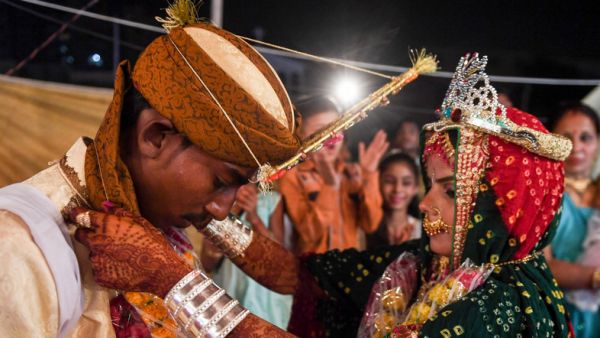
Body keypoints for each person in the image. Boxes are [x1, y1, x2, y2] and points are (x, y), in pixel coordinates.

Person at [72, 53, 574, 338]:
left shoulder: (504, 308)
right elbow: (300, 276)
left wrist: (176, 282)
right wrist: (210, 214)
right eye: (430, 186)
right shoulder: (424, 264)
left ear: (504, 207)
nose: (424, 204)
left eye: (449, 190)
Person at [0, 0, 302, 336]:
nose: (221, 211)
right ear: (155, 137)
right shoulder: (17, 248)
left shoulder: (161, 235)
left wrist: (172, 278)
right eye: (221, 181)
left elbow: (296, 279)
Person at [279, 95, 388, 254]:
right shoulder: (293, 177)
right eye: (321, 131)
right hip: (312, 272)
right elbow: (309, 233)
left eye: (336, 128)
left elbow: (370, 224)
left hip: (350, 272)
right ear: (299, 136)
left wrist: (369, 175)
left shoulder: (351, 173)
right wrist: (330, 187)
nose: (332, 138)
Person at [201, 183, 293, 330]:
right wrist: (231, 213)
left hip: (264, 294)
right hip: (231, 282)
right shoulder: (221, 199)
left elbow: (279, 255)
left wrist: (254, 216)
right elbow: (207, 262)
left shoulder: (272, 199)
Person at [544, 102, 600, 338]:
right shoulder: (543, 194)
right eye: (566, 137)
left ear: (597, 143)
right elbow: (541, 267)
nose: (576, 146)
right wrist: (595, 277)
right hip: (556, 314)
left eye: (585, 137)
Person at [366, 151, 421, 250]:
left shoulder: (422, 232)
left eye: (406, 183)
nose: (397, 189)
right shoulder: (365, 228)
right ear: (378, 183)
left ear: (415, 188)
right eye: (389, 181)